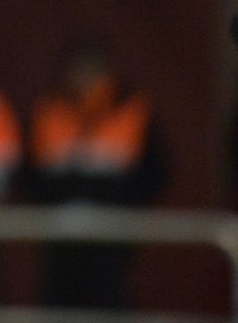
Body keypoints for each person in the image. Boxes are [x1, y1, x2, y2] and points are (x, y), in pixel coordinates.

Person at [27, 40, 166, 308]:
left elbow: (155, 173)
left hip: (115, 239)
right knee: (59, 311)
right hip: (59, 239)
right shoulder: (48, 109)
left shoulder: (133, 110)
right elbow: (30, 172)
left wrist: (122, 205)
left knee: (109, 309)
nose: (85, 78)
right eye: (78, 69)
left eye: (93, 70)